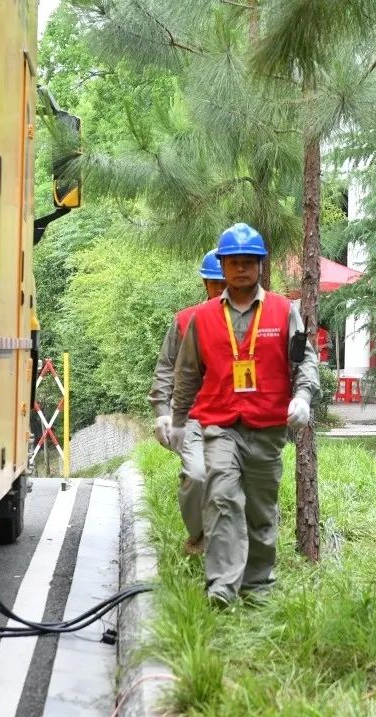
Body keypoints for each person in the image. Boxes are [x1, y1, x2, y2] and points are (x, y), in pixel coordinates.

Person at [170, 223, 320, 605]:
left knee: (259, 511)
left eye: (248, 263)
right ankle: (221, 586)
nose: (240, 270)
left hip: (268, 427)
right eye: (233, 263)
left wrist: (302, 397)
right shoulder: (202, 318)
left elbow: (305, 361)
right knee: (221, 498)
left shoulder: (284, 311)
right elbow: (187, 373)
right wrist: (176, 421)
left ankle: (256, 588)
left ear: (259, 266)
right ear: (222, 266)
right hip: (219, 425)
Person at [148, 250, 227, 555]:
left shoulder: (249, 320)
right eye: (215, 283)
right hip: (192, 417)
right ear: (205, 284)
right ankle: (199, 537)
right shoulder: (184, 320)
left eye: (227, 284)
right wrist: (162, 412)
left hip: (235, 417)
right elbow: (165, 368)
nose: (221, 290)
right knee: (197, 475)